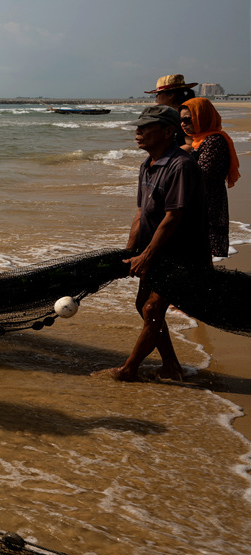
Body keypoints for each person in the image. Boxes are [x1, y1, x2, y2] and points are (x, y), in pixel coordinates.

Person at [93, 105, 209, 382]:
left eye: (146, 127)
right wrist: (130, 252)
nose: (138, 132)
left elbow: (173, 217)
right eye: (138, 127)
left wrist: (146, 256)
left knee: (151, 308)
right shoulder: (148, 165)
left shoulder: (181, 166)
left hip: (183, 253)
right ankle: (171, 366)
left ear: (169, 131)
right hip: (159, 252)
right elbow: (140, 213)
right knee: (143, 305)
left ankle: (128, 370)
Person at [180, 97, 241, 258]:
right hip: (202, 202)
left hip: (208, 205)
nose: (183, 124)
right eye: (181, 120)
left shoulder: (214, 141)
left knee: (202, 252)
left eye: (188, 119)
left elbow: (202, 175)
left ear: (202, 117)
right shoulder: (199, 140)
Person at [145, 74, 198, 148]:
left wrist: (165, 157)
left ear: (170, 95)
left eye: (159, 93)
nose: (156, 96)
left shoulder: (184, 116)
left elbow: (190, 145)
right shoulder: (172, 114)